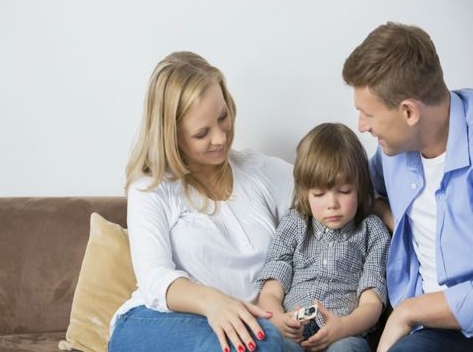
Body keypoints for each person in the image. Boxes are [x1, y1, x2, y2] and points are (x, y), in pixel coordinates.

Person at [108, 51, 295, 352]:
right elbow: (154, 277)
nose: (220, 138)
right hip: (152, 323)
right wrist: (214, 303)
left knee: (268, 340)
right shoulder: (151, 188)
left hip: (246, 326)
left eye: (223, 117)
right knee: (264, 341)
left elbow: (336, 186)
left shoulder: (260, 172)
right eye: (201, 133)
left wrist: (382, 209)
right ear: (172, 135)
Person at [342, 22, 473, 352]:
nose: (362, 126)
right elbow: (360, 191)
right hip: (435, 333)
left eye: (367, 114)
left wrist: (409, 311)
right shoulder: (393, 149)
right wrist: (392, 217)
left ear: (409, 111)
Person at [257, 123, 391, 352]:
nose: (332, 204)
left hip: (344, 332)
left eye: (344, 191)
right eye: (319, 194)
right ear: (305, 193)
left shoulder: (372, 231)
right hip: (294, 328)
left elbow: (372, 303)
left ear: (359, 187)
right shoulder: (295, 223)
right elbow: (270, 289)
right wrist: (278, 319)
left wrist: (343, 326)